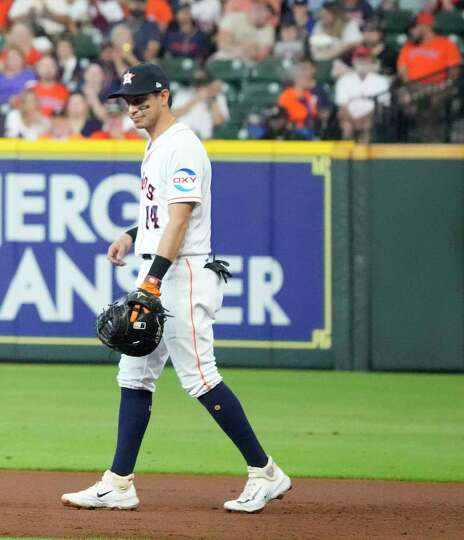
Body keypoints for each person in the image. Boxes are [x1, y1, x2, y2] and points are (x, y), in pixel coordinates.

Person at [60, 62, 291, 513]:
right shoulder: (157, 145)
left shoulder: (182, 146)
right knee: (134, 375)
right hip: (161, 267)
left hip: (180, 274)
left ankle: (266, 473)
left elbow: (182, 218)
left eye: (142, 98)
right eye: (127, 100)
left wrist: (152, 280)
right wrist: (132, 233)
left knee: (200, 378)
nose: (133, 107)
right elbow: (164, 212)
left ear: (164, 95)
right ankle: (119, 482)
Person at [335, 47, 390, 142]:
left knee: (368, 125)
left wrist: (364, 119)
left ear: (370, 61)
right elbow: (342, 106)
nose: (362, 62)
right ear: (353, 61)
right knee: (347, 126)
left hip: (372, 117)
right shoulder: (344, 80)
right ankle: (345, 155)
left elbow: (382, 106)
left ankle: (365, 156)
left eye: (365, 59)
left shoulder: (381, 80)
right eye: (359, 59)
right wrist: (354, 121)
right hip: (350, 118)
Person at [171, 70, 229, 139]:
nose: (201, 85)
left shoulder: (217, 97)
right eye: (198, 82)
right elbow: (172, 115)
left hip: (205, 141)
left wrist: (212, 100)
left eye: (204, 82)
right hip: (183, 138)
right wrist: (195, 100)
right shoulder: (182, 93)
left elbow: (218, 122)